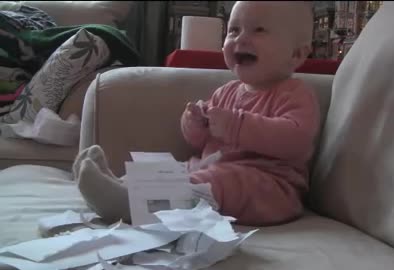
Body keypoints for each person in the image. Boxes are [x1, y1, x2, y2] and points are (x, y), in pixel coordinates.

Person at [73, 1, 320, 226]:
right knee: (176, 169)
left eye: (259, 30)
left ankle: (135, 205)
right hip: (211, 171)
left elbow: (296, 140)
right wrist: (195, 125)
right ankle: (121, 186)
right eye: (233, 30)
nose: (240, 39)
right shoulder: (226, 92)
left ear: (296, 54)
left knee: (218, 178)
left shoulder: (295, 93)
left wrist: (235, 126)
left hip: (269, 189)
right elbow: (200, 143)